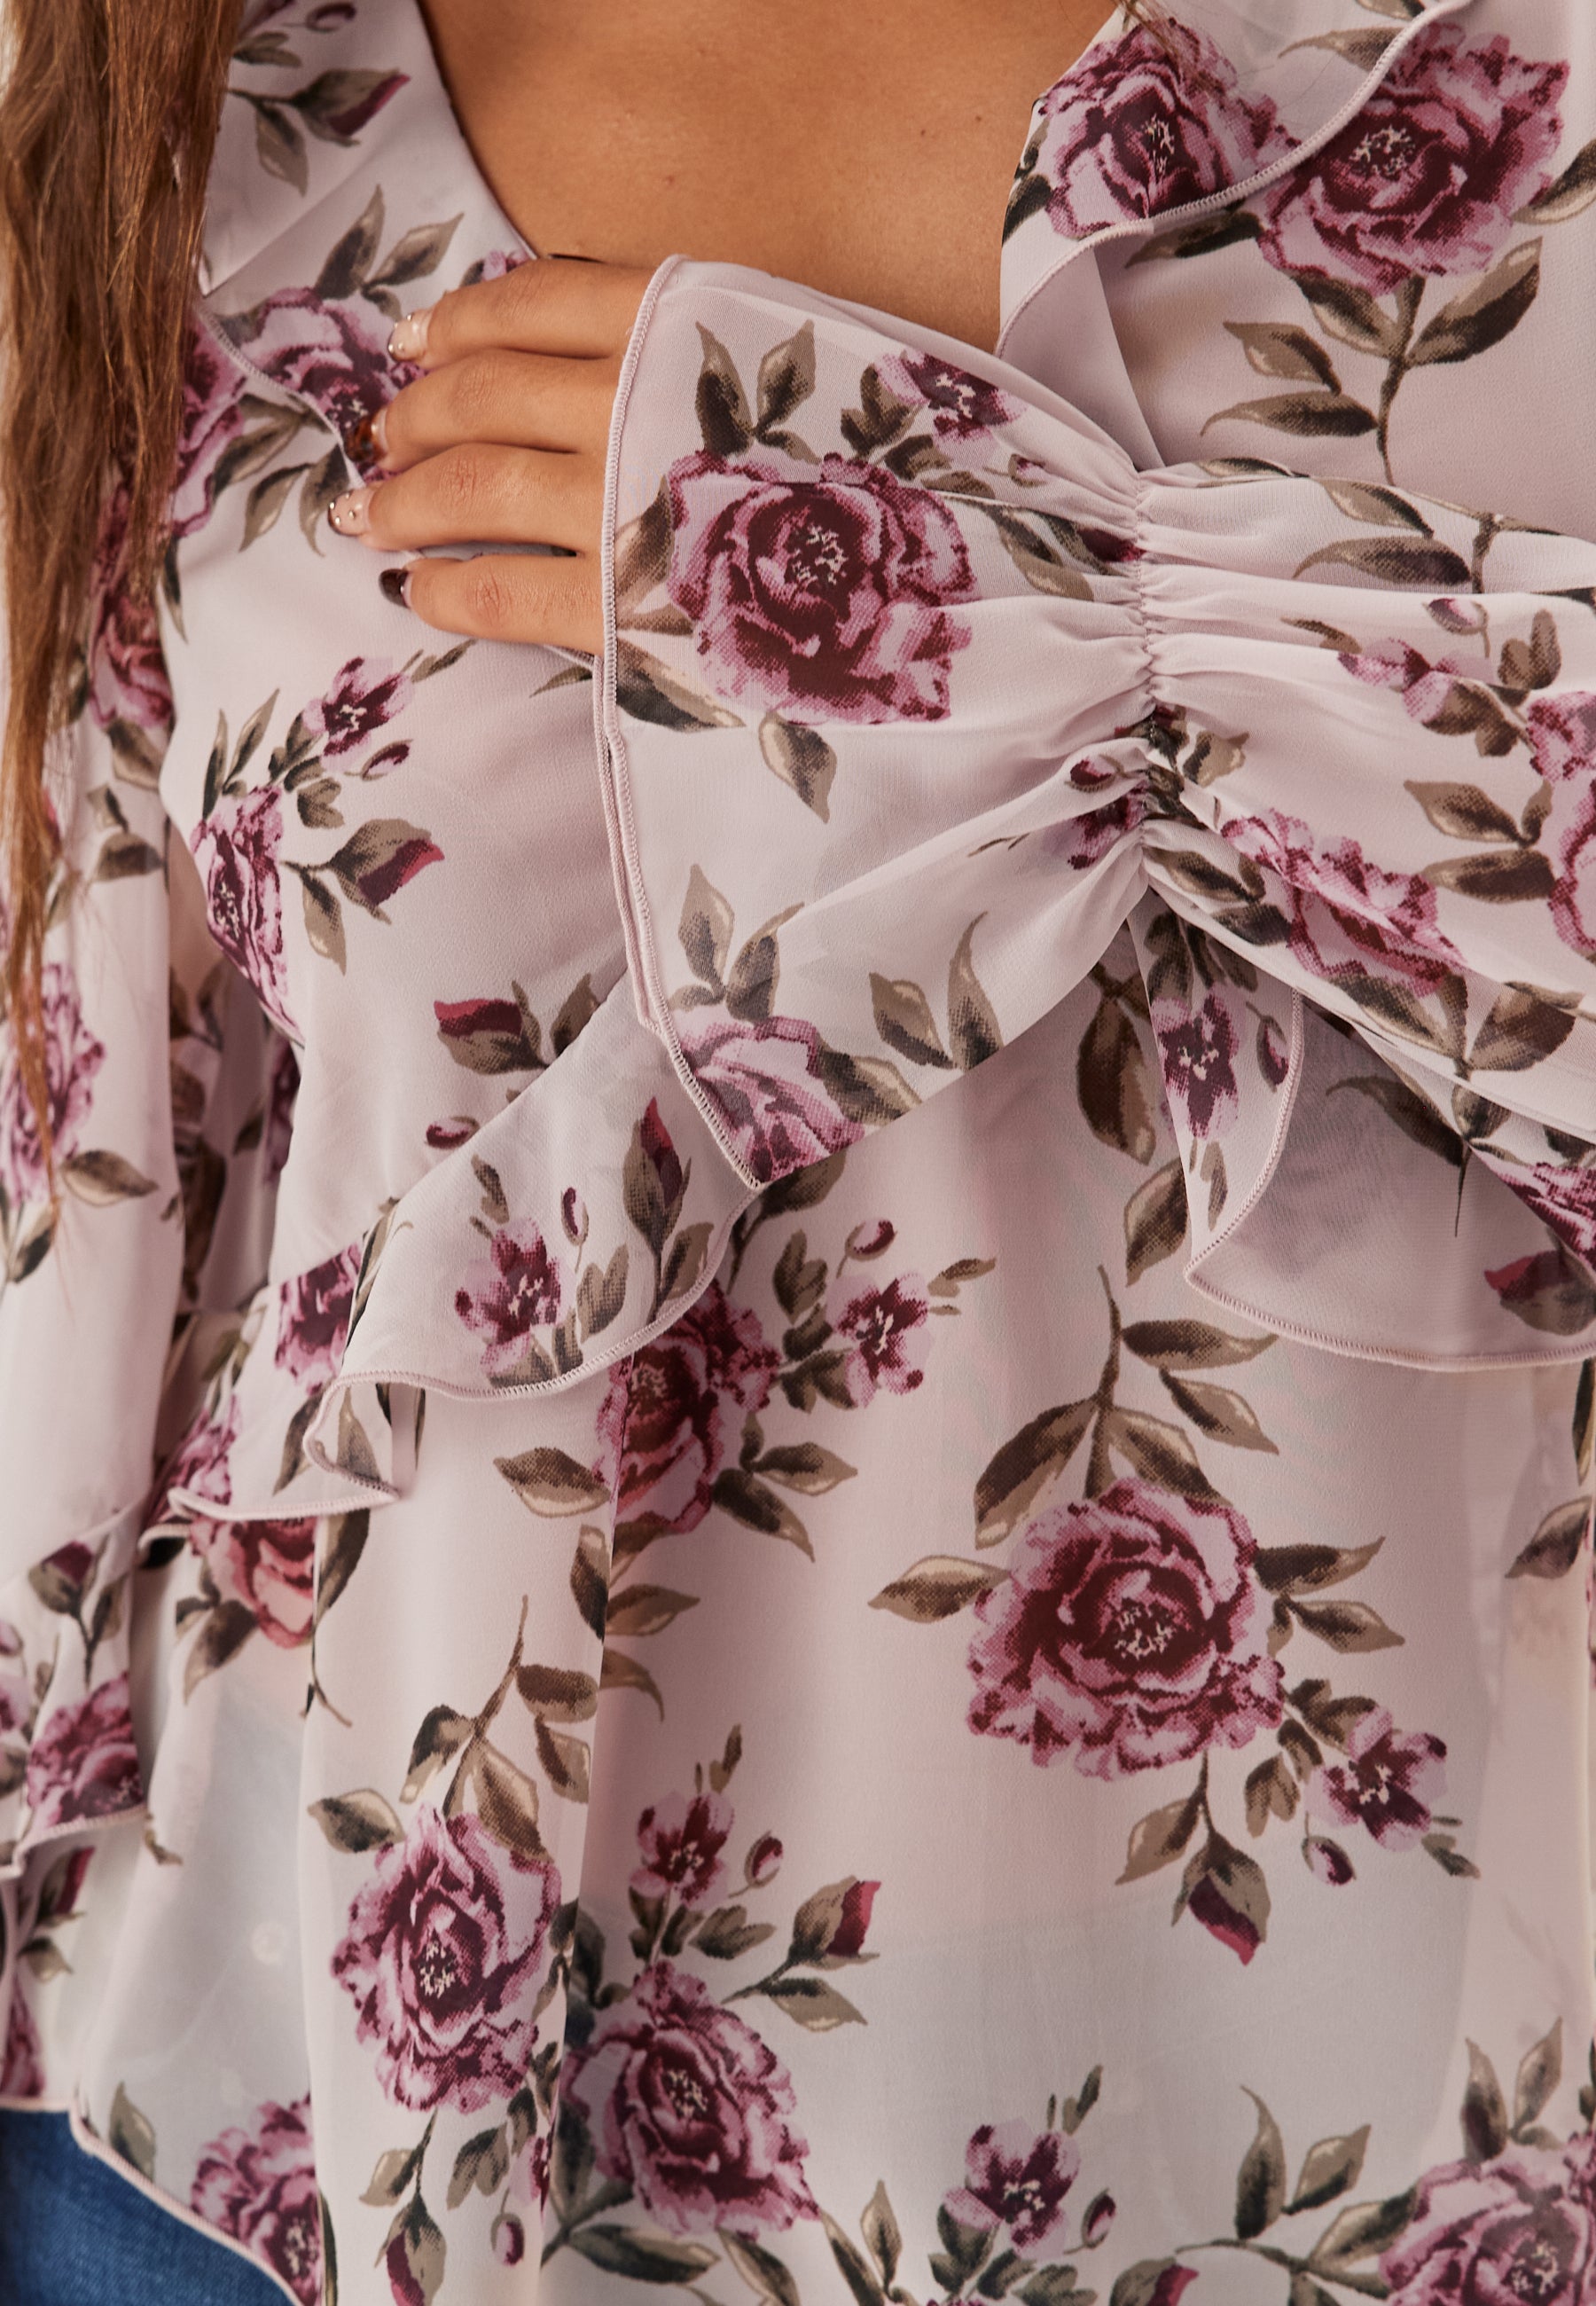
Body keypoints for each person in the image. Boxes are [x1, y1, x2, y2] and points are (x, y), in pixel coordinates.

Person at [2, 0, 1595, 2299]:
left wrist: (1063, 611)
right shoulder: (223, 111)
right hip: (311, 2124)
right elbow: (99, 1184)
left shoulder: (1521, 90)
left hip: (1336, 2149)